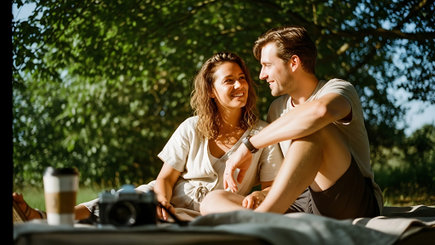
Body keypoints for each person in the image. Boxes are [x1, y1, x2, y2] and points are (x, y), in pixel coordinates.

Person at [13, 52, 283, 222]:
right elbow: (166, 178)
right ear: (211, 91)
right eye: (229, 80)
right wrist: (162, 201)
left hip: (214, 210)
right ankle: (46, 218)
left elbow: (272, 187)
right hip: (166, 200)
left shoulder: (262, 134)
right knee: (119, 200)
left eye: (242, 78)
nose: (240, 85)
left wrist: (259, 197)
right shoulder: (192, 126)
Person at [200, 26, 383, 220]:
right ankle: (264, 222)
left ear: (294, 62)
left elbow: (319, 111)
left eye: (267, 65)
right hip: (303, 200)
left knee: (313, 130)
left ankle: (260, 220)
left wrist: (249, 145)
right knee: (213, 200)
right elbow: (292, 173)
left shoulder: (338, 89)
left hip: (352, 201)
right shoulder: (276, 108)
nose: (261, 75)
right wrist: (263, 194)